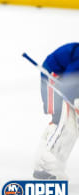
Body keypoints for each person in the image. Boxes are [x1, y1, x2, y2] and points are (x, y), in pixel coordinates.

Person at [33, 42, 79, 180]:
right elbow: (69, 82)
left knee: (68, 127)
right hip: (55, 79)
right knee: (62, 123)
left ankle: (51, 165)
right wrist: (75, 102)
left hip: (63, 83)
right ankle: (45, 168)